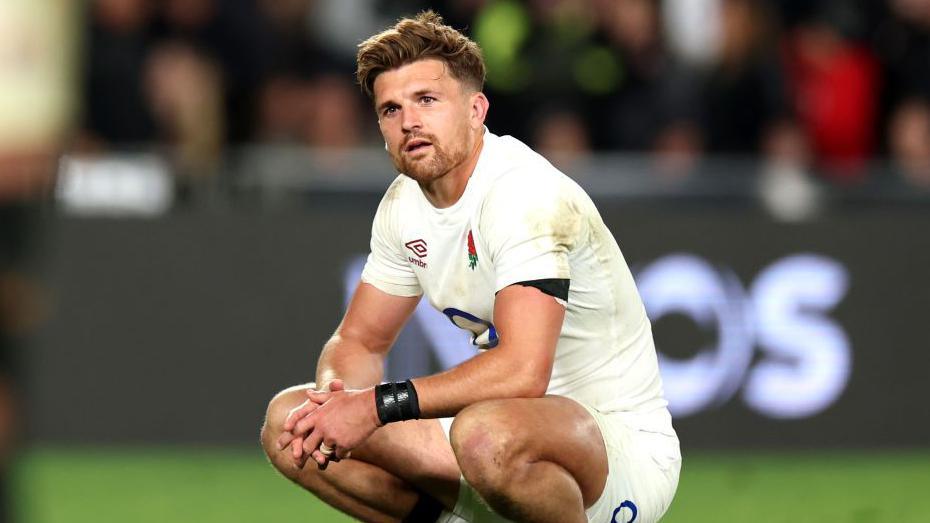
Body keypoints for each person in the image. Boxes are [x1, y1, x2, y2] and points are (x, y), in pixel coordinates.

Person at [261, 11, 680, 523]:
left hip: (615, 453)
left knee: (483, 432)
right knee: (291, 422)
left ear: (476, 109)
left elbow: (524, 370)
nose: (409, 121)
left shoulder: (523, 194)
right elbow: (361, 342)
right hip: (494, 447)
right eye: (391, 109)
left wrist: (373, 407)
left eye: (427, 101)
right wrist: (335, 401)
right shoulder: (403, 206)